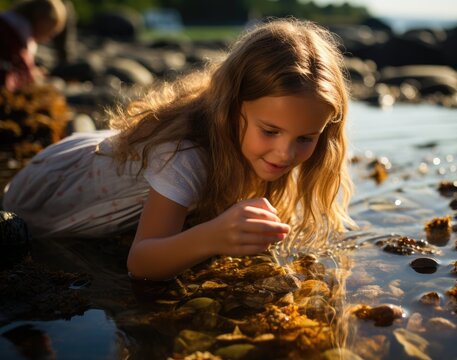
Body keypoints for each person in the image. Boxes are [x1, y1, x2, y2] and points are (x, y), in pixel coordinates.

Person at [2, 18, 356, 280]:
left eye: (305, 138)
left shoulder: (239, 139)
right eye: (270, 131)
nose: (284, 154)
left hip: (90, 160)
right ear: (231, 107)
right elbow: (141, 263)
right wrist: (213, 236)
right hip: (45, 194)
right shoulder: (185, 155)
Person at [0, 0, 67, 91]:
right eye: (51, 31)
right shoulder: (12, 36)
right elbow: (7, 79)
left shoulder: (10, 26)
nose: (48, 37)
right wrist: (31, 77)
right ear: (42, 19)